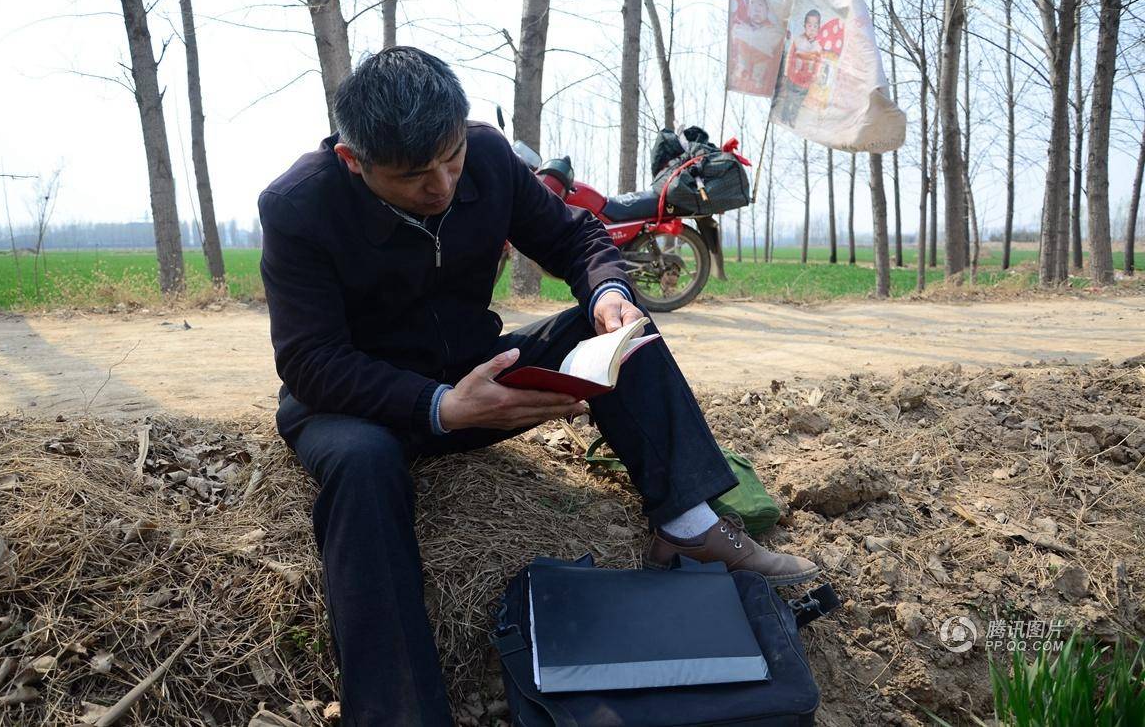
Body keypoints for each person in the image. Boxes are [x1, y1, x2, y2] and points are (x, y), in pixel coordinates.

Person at [258, 46, 819, 726]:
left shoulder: (491, 158)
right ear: (356, 162)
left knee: (619, 329)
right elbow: (311, 358)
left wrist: (611, 290)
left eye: (451, 157)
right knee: (363, 464)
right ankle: (398, 712)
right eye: (414, 176)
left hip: (475, 371)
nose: (442, 185)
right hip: (362, 407)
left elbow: (576, 236)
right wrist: (440, 407)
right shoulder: (299, 205)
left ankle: (688, 522)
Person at [777, 8, 823, 125]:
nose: (812, 29)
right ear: (804, 26)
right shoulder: (798, 41)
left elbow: (818, 64)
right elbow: (790, 55)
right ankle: (784, 116)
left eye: (815, 26)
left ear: (818, 28)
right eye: (809, 26)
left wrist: (815, 76)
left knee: (798, 101)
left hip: (806, 80)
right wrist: (787, 72)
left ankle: (792, 119)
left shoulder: (817, 47)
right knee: (789, 98)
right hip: (793, 75)